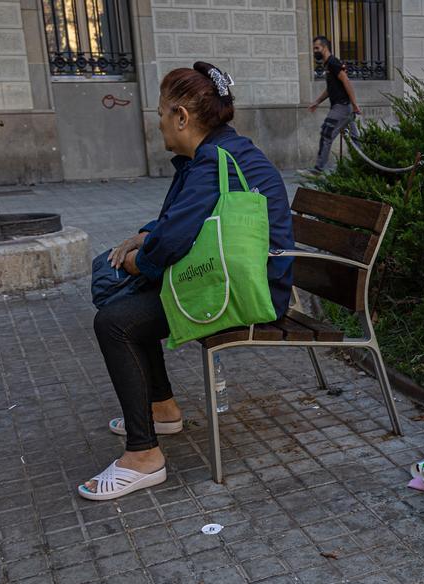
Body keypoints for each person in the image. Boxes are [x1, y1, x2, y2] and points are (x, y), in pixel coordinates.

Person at [80, 61, 295, 501]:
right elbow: (174, 224)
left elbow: (172, 240)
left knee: (115, 322)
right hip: (243, 276)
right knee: (124, 311)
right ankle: (161, 410)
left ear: (182, 116)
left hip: (251, 291)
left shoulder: (211, 162)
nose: (157, 122)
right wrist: (143, 239)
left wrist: (134, 263)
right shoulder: (216, 155)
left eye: (160, 112)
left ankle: (144, 457)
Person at [304, 36, 361, 175]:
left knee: (326, 133)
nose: (315, 51)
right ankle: (362, 165)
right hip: (341, 106)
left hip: (342, 106)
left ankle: (318, 170)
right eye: (314, 49)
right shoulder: (328, 65)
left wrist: (355, 104)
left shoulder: (333, 62)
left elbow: (346, 81)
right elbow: (331, 89)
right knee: (355, 138)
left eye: (317, 48)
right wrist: (317, 102)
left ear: (325, 47)